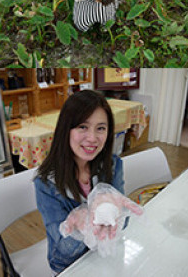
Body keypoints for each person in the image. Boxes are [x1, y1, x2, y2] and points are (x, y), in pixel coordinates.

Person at [34, 90, 140, 273]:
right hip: (71, 266)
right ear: (66, 129)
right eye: (83, 127)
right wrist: (79, 226)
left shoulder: (113, 165)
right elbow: (63, 251)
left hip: (106, 253)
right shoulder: (46, 183)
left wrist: (114, 209)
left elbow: (122, 224)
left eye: (101, 128)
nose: (92, 138)